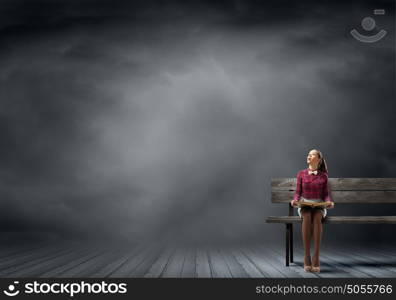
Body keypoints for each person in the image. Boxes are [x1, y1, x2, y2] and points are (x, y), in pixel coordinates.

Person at [290, 149, 334, 273]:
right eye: (308, 154)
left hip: (319, 204)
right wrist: (294, 200)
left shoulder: (323, 176)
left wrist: (329, 201)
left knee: (317, 218)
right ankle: (306, 256)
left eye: (312, 154)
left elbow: (326, 194)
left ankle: (316, 257)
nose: (309, 156)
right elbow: (298, 192)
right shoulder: (301, 174)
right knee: (307, 217)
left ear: (319, 159)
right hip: (305, 204)